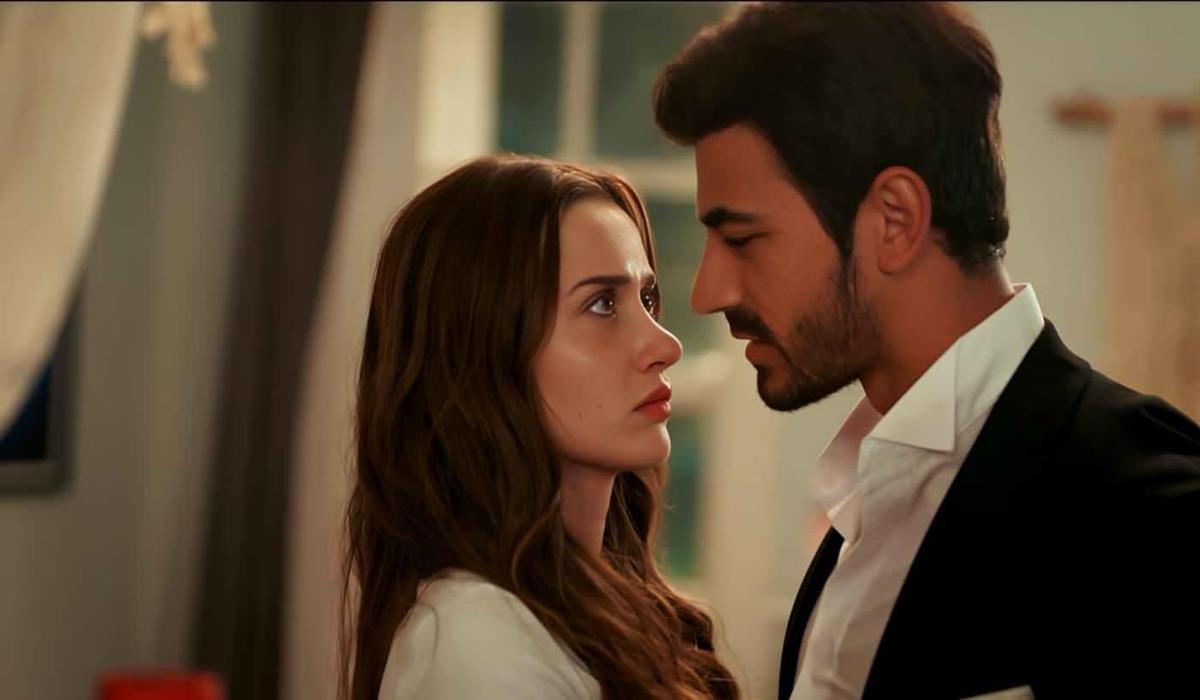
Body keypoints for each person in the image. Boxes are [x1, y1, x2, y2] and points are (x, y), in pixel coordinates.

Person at [653, 2, 1200, 699]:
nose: (707, 292)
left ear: (896, 220)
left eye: (742, 238)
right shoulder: (860, 504)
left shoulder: (1147, 509)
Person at [339, 155, 740, 700]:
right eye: (602, 304)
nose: (665, 345)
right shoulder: (478, 640)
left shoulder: (596, 614)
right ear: (482, 355)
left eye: (647, 299)